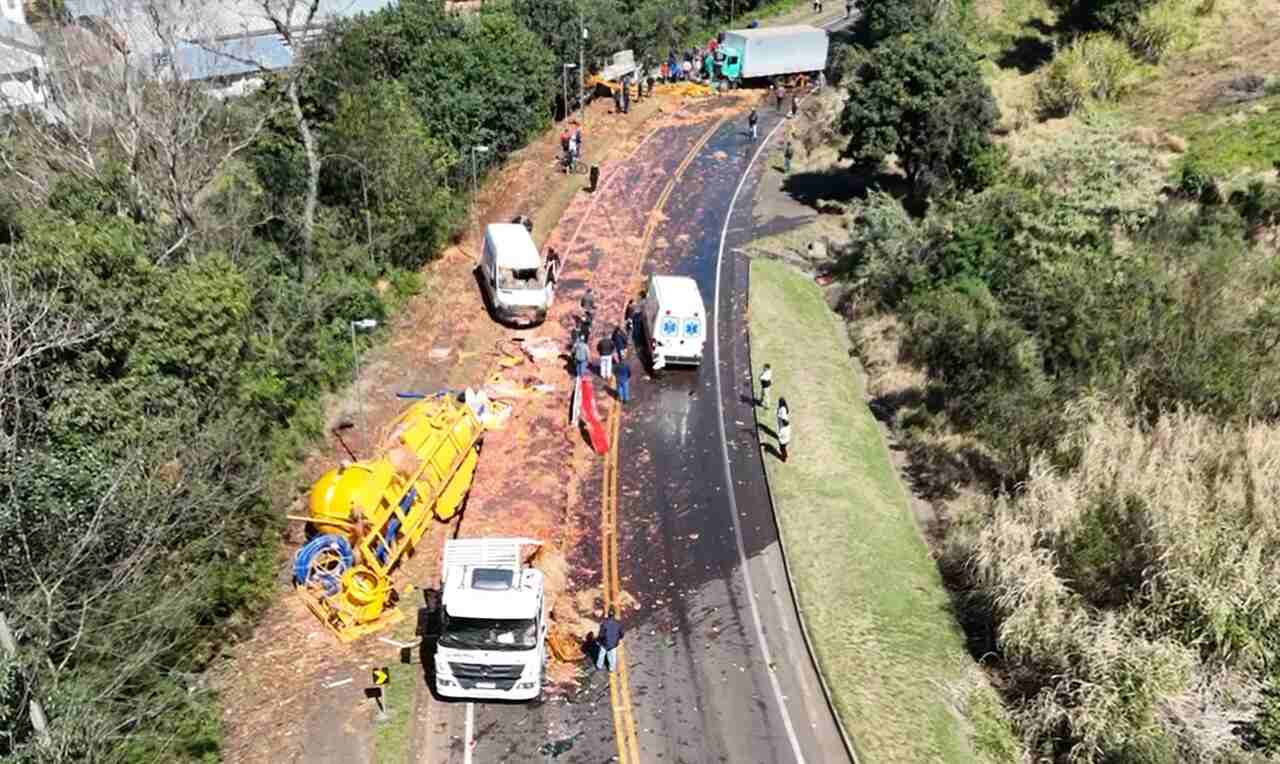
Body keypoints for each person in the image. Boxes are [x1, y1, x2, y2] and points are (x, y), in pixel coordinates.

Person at [596, 608, 624, 672]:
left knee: (601, 655)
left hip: (605, 643)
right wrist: (618, 639)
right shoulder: (618, 623)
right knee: (613, 656)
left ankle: (599, 666)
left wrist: (598, 641)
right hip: (613, 644)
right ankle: (612, 668)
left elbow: (601, 635)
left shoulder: (604, 624)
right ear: (614, 615)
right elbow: (622, 634)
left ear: (608, 615)